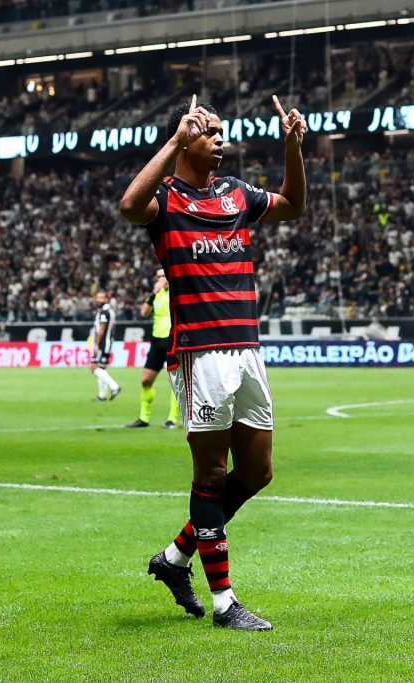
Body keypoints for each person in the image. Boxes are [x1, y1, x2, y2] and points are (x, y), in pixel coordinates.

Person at [119, 94, 306, 630]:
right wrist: (173, 140)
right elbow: (130, 206)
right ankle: (225, 603)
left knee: (258, 471)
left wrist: (292, 148)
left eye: (223, 132)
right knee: (211, 472)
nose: (221, 139)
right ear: (185, 139)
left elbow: (294, 205)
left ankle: (175, 559)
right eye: (210, 132)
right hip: (200, 355)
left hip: (246, 348)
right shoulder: (166, 201)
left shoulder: (237, 195)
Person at [126, 267, 182, 429]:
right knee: (146, 380)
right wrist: (152, 295)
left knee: (175, 381)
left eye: (164, 276)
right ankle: (144, 417)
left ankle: (172, 418)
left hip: (173, 339)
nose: (160, 279)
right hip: (157, 340)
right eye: (158, 276)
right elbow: (144, 312)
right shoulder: (155, 295)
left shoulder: (176, 293)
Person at [89, 291, 121, 402]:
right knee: (101, 368)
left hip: (103, 344)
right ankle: (102, 395)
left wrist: (97, 344)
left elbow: (101, 329)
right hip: (107, 343)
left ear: (106, 299)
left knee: (94, 367)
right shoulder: (109, 311)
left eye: (102, 298)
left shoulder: (104, 312)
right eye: (97, 297)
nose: (99, 300)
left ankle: (115, 387)